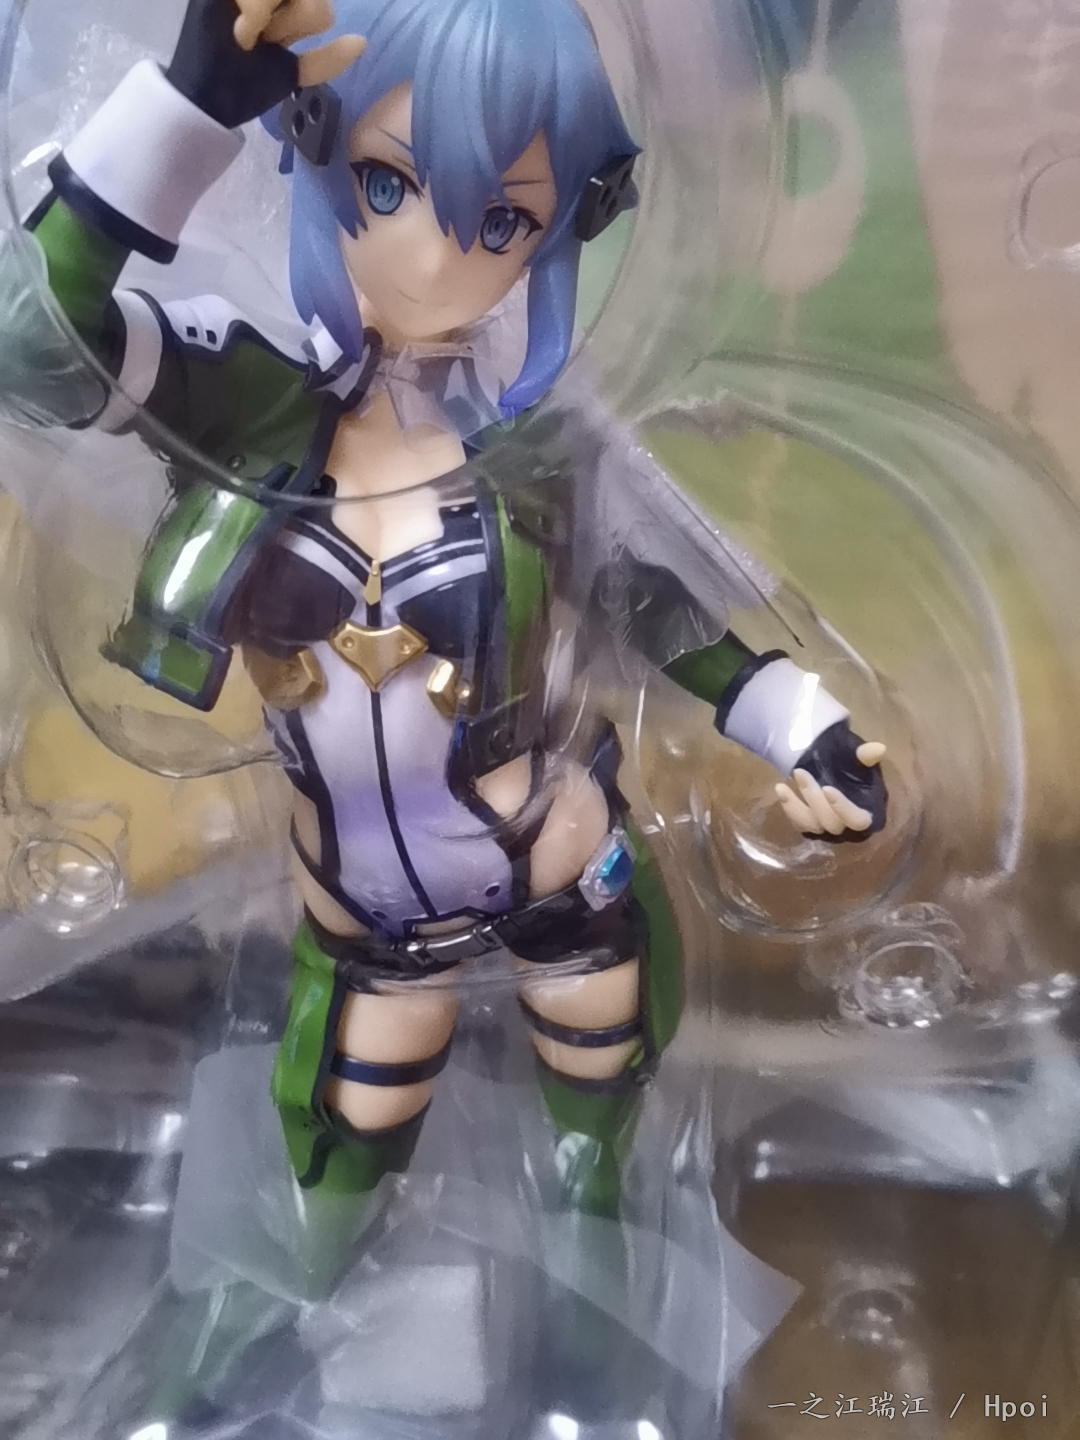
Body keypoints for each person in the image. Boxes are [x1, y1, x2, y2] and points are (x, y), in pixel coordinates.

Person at [23, 0, 886, 1279]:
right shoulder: (248, 401)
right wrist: (189, 106)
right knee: (335, 1175)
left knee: (598, 1169)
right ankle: (278, 1319)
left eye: (500, 222)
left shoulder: (538, 455)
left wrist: (807, 731)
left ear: (558, 227)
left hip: (562, 882)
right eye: (388, 185)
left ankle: (600, 1293)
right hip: (367, 920)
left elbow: (658, 612)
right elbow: (33, 340)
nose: (437, 257)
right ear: (316, 148)